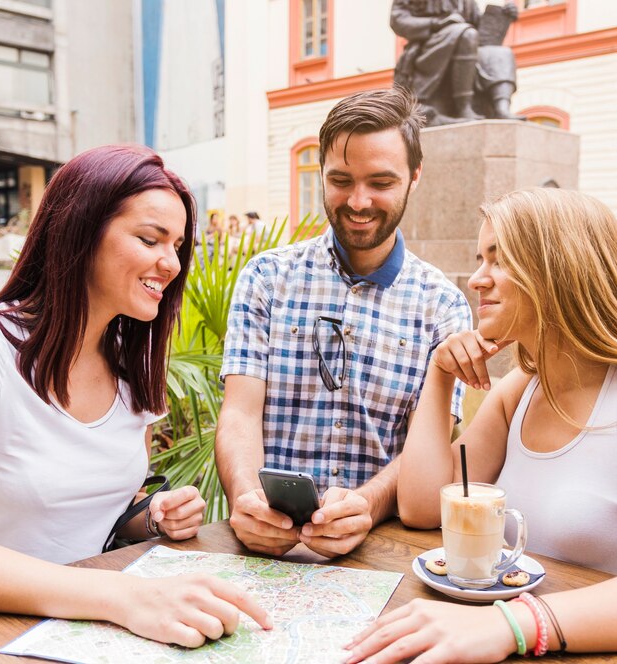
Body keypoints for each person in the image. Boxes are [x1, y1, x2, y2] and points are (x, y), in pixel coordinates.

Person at [0, 145, 270, 664]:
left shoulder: (131, 365)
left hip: (88, 632)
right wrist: (127, 597)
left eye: (178, 245)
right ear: (79, 231)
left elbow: (94, 521)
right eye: (150, 239)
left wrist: (150, 519)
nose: (170, 262)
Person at [345, 188, 617, 663]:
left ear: (562, 270)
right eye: (480, 258)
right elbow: (423, 507)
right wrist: (438, 378)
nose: (477, 279)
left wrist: (514, 622)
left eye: (500, 260)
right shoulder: (523, 387)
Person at [215, 87, 473, 559]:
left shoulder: (444, 307)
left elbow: (426, 449)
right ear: (321, 172)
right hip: (265, 548)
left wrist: (366, 505)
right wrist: (246, 499)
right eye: (341, 180)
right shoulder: (266, 278)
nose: (358, 201)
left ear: (415, 177)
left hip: (381, 551)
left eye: (381, 182)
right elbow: (239, 414)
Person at [391, 0, 522, 124]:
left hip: (466, 43)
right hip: (428, 46)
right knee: (467, 34)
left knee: (502, 53)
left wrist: (502, 17)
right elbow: (398, 20)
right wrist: (437, 23)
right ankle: (464, 108)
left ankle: (501, 107)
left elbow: (478, 25)